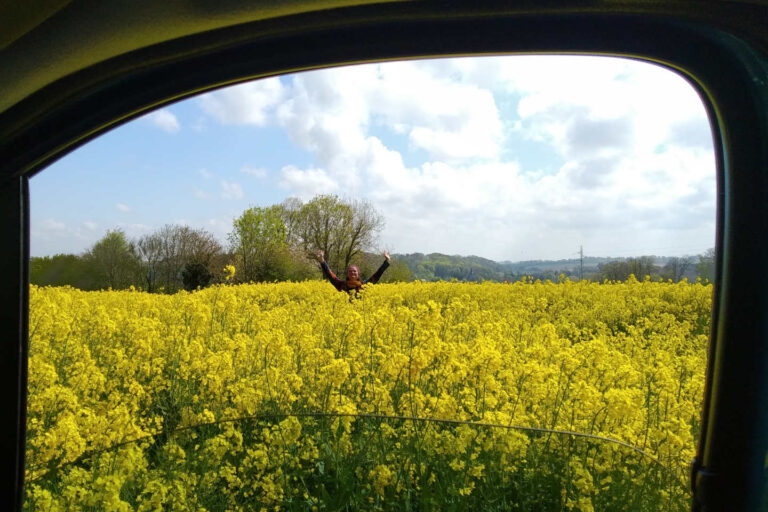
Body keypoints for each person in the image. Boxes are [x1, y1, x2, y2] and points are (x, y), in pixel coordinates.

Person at [316, 249, 390, 299]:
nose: (352, 273)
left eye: (354, 271)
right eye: (350, 271)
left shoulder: (364, 285)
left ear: (358, 273)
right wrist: (322, 261)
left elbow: (376, 276)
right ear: (347, 274)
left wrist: (386, 262)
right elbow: (330, 275)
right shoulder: (342, 285)